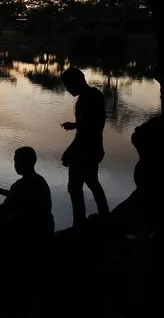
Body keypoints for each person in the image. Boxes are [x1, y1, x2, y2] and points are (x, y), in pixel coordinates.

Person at [0, 146, 55, 245]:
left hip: (25, 234)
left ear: (24, 163)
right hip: (45, 230)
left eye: (16, 161)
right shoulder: (40, 180)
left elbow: (1, 211)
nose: (15, 165)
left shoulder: (20, 185)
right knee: (11, 217)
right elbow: (22, 198)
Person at [60, 67, 109, 226]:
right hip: (93, 147)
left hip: (85, 150)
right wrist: (75, 125)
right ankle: (105, 217)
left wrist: (69, 151)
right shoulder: (93, 95)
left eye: (68, 86)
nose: (67, 90)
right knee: (92, 182)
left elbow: (87, 130)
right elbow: (91, 123)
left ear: (76, 82)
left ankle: (79, 223)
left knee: (74, 187)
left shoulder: (87, 98)